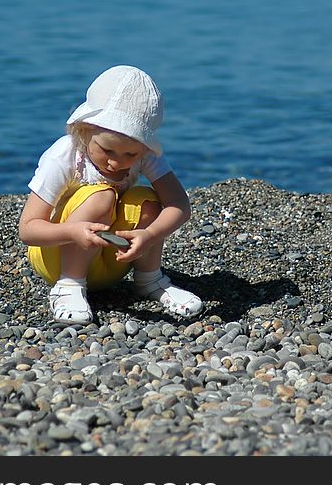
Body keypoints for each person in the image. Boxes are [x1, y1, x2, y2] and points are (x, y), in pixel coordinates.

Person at [18, 65, 204, 326]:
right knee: (101, 196)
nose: (117, 163)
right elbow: (27, 230)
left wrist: (149, 235)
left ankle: (150, 280)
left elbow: (179, 204)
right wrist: (72, 232)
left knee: (147, 198)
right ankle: (68, 286)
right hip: (56, 256)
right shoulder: (65, 155)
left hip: (113, 261)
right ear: (84, 130)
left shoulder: (143, 154)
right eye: (107, 150)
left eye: (131, 155)